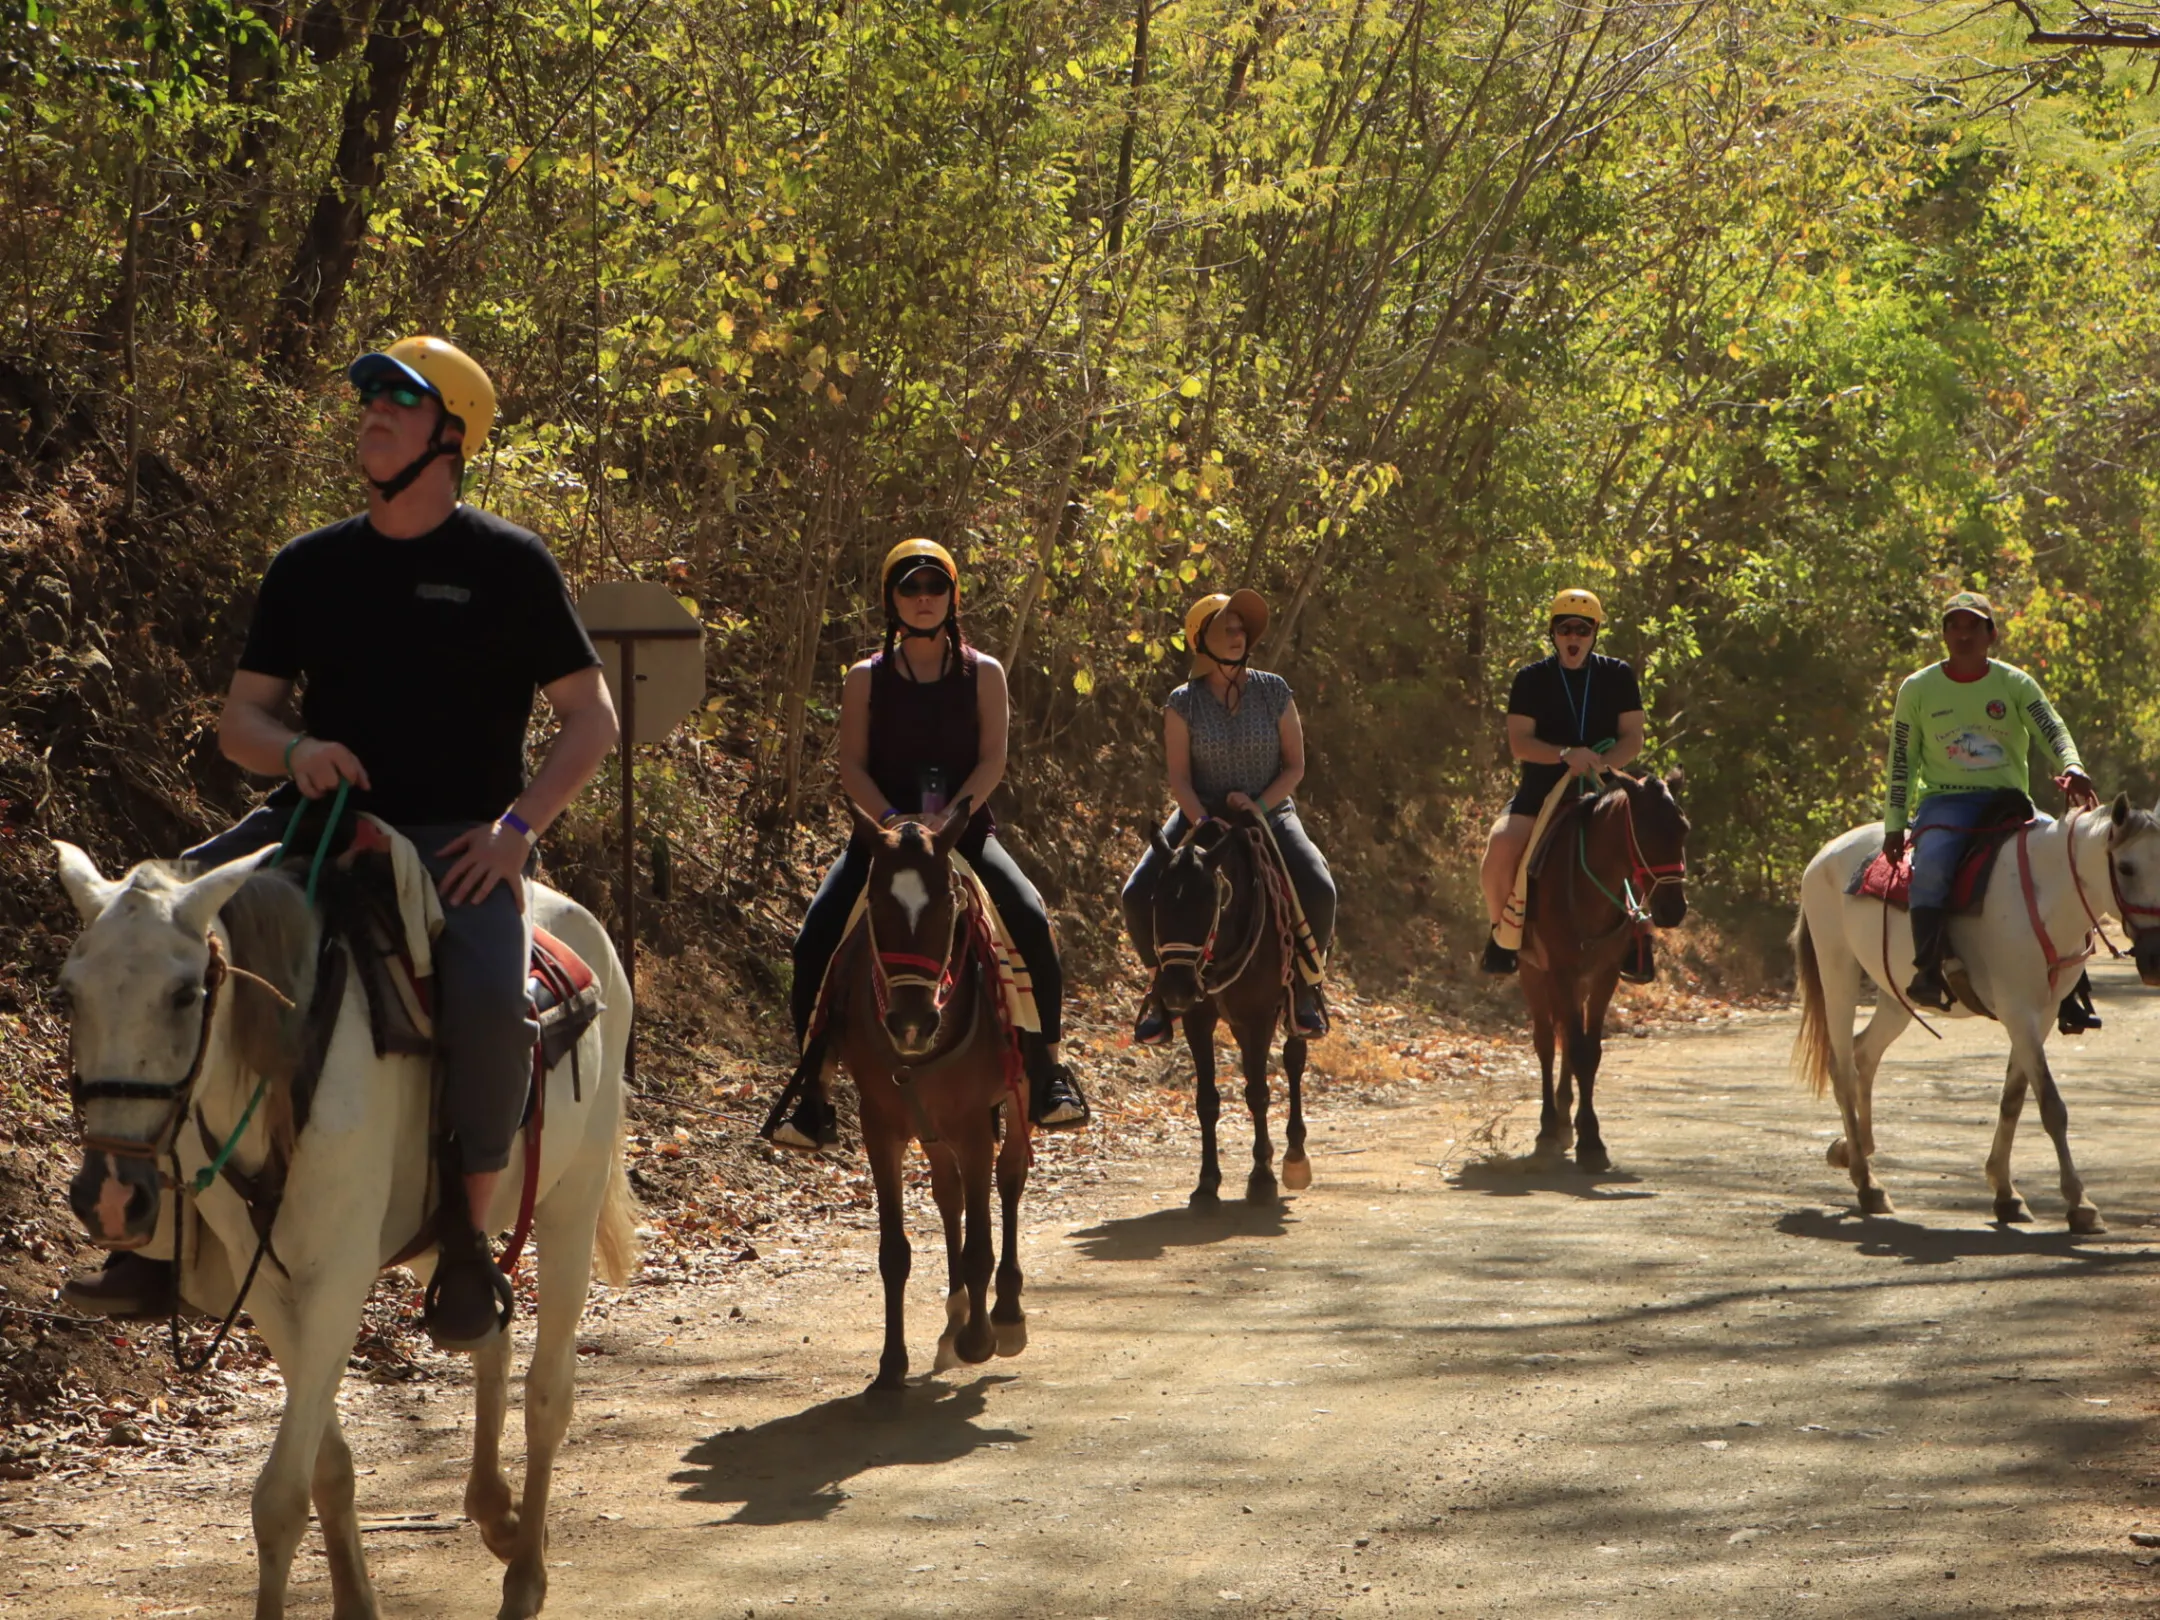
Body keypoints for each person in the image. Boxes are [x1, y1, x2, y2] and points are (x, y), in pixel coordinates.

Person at [61, 336, 620, 1351]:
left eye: (400, 398)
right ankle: (155, 1241)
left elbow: (591, 720)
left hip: (456, 841)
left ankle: (464, 1243)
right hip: (308, 824)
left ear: (451, 435)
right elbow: (242, 722)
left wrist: (515, 832)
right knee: (154, 941)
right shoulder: (309, 566)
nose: (373, 410)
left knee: (492, 1008)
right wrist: (297, 749)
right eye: (368, 394)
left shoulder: (509, 564)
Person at [768, 539, 1088, 1150]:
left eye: (934, 586)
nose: (923, 598)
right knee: (814, 940)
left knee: (1029, 917)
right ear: (891, 599)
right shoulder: (865, 678)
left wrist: (950, 820)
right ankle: (814, 1090)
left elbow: (992, 760)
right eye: (910, 587)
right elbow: (851, 765)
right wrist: (893, 822)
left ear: (952, 596)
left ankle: (1049, 1071)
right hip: (882, 841)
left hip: (963, 836)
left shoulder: (983, 673)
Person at [1120, 589, 1337, 1045]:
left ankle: (1306, 989)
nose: (1238, 636)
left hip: (1269, 814)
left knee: (1319, 887)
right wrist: (1204, 821)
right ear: (1202, 639)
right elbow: (1179, 778)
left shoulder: (1274, 691)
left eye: (1241, 629)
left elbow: (1295, 766)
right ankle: (1160, 992)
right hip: (1199, 816)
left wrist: (1259, 807)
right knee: (1136, 892)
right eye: (1226, 629)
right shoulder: (1182, 702)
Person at [1884, 590, 2100, 1025]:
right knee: (1932, 868)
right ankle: (1928, 969)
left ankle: (2072, 989)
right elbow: (1901, 760)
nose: (1963, 635)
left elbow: (2052, 729)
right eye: (1955, 626)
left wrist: (2072, 766)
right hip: (1946, 802)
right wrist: (1894, 824)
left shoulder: (2015, 683)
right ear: (1944, 634)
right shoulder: (1918, 689)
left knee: (2068, 858)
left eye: (1973, 626)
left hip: (2009, 802)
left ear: (1991, 634)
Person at [1479, 589, 1647, 976]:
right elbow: (1520, 743)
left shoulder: (1618, 675)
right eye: (1565, 628)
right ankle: (1502, 937)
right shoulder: (1530, 679)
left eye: (1583, 629)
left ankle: (1640, 941)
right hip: (1543, 789)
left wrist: (1601, 764)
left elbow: (1633, 737)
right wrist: (1565, 755)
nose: (1574, 636)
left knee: (1649, 843)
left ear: (1594, 633)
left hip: (1604, 787)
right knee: (1501, 846)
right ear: (1553, 633)